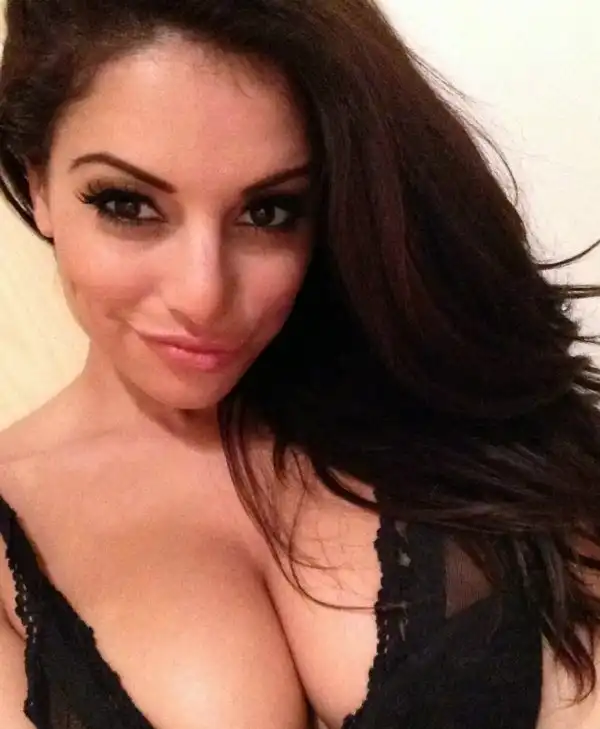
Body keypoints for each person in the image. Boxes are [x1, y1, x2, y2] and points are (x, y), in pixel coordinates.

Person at [0, 0, 600, 727]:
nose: (203, 296)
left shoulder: (446, 394)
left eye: (269, 212)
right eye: (128, 204)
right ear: (38, 184)